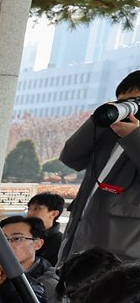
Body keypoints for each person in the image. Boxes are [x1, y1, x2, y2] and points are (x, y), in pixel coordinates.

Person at [58, 70, 140, 263]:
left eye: (136, 103)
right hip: (75, 254)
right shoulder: (109, 135)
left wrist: (134, 136)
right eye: (123, 103)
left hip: (121, 269)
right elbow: (71, 158)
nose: (130, 110)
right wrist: (99, 119)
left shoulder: (132, 139)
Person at [1, 214, 62, 303]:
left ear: (38, 244)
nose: (7, 245)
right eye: (3, 239)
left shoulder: (50, 286)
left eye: (17, 239)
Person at [26, 191, 66, 265]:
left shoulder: (61, 243)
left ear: (54, 213)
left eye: (36, 208)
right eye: (29, 209)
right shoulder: (22, 235)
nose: (30, 213)